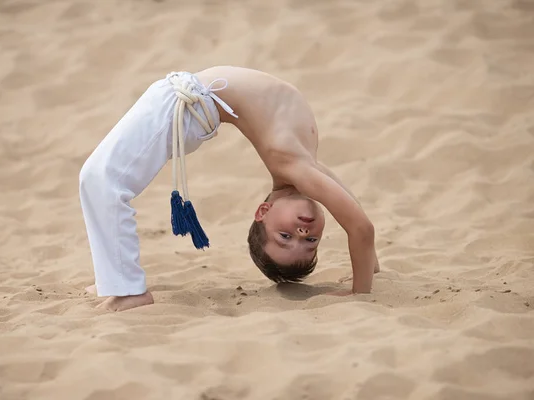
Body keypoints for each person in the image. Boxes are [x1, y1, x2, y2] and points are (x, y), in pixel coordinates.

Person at [79, 66, 380, 312]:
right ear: (263, 209)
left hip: (185, 105)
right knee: (99, 179)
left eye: (285, 237)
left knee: (101, 179)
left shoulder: (295, 168)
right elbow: (360, 225)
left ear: (264, 212)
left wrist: (360, 289)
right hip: (187, 99)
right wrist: (365, 282)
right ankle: (115, 280)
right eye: (310, 240)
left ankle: (127, 290)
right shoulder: (303, 170)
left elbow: (360, 227)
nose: (302, 234)